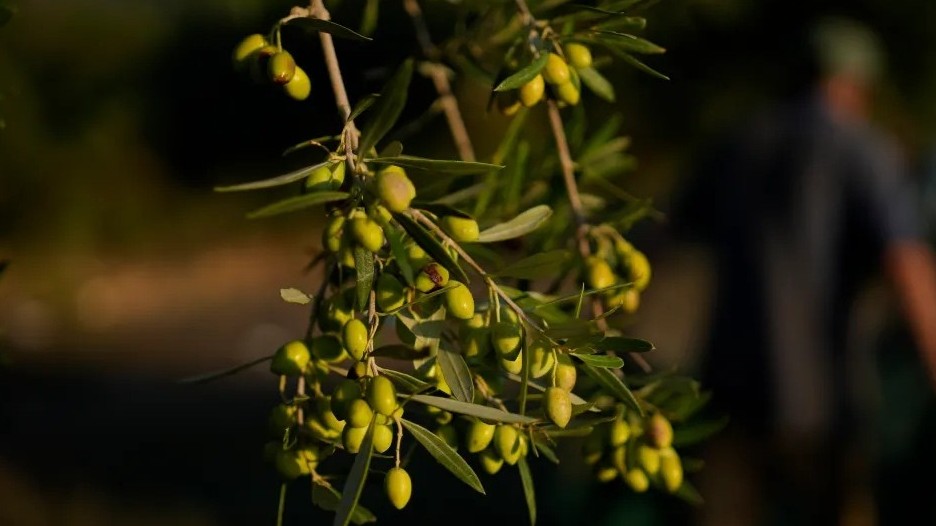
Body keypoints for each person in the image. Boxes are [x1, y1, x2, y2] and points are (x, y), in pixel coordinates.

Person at [680, 17, 936, 526]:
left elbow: (671, 234)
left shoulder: (738, 142)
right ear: (857, 83)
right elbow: (906, 263)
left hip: (727, 391)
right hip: (824, 400)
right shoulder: (865, 150)